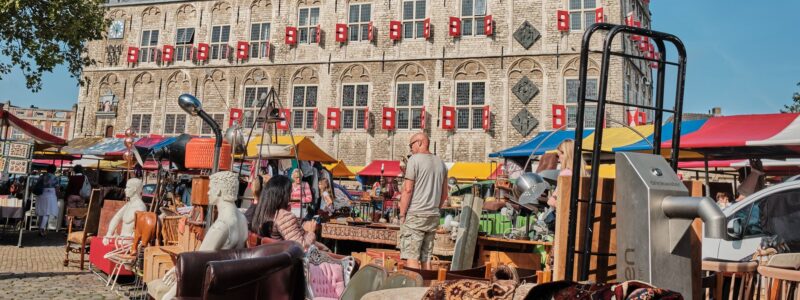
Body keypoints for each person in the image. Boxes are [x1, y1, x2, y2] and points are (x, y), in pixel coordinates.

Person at [399, 133, 448, 270]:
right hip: (433, 215)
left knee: (412, 256)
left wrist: (402, 214)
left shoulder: (414, 160)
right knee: (426, 257)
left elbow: (407, 190)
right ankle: (426, 288)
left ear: (420, 143)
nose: (411, 149)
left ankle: (413, 289)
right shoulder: (441, 163)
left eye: (411, 145)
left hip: (416, 214)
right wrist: (434, 208)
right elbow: (445, 194)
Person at [249, 175, 325, 250]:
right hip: (289, 259)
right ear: (283, 195)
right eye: (289, 193)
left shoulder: (261, 212)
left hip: (269, 255)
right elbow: (301, 247)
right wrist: (311, 231)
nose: (291, 197)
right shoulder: (284, 216)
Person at [547, 139, 587, 208]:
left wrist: (550, 199)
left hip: (565, 215)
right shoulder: (584, 173)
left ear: (566, 154)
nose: (559, 160)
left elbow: (553, 202)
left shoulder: (566, 173)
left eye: (559, 155)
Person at [35, 165, 60, 237]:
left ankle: (40, 228)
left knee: (41, 212)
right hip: (50, 195)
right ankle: (42, 229)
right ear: (54, 170)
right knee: (47, 212)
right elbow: (57, 188)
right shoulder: (55, 178)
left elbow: (36, 185)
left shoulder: (41, 176)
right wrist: (57, 196)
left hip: (41, 194)